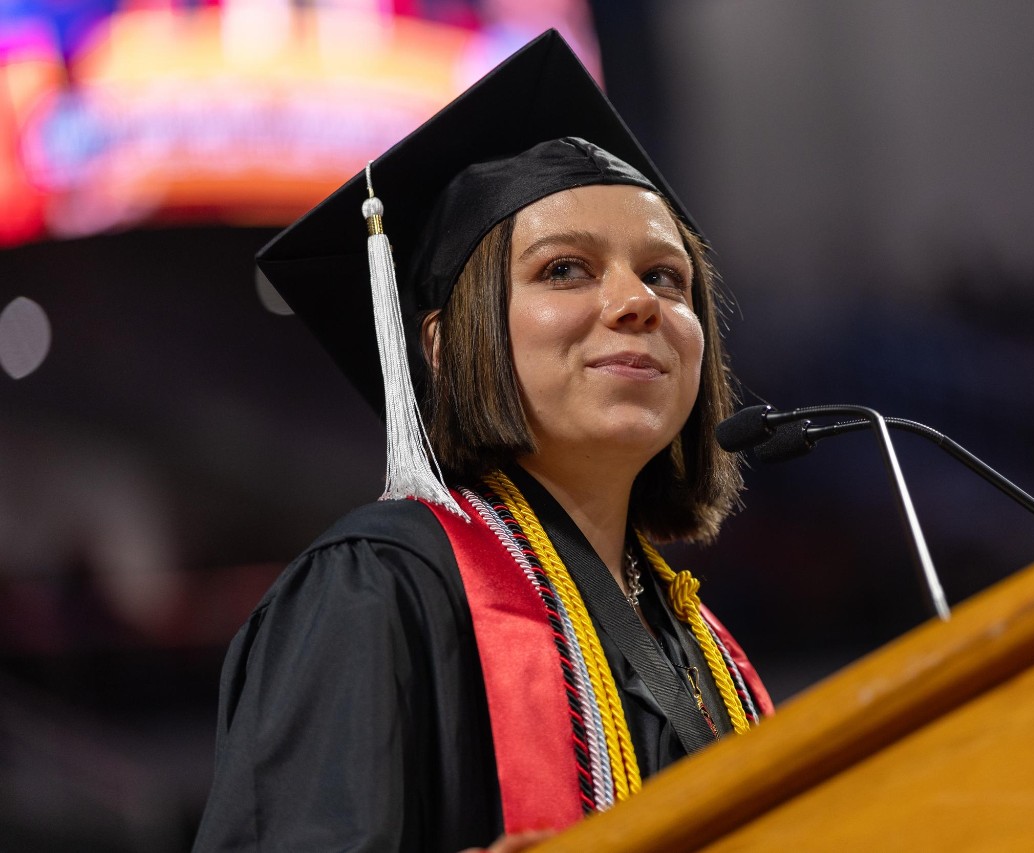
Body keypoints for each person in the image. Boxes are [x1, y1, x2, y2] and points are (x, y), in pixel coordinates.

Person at [192, 30, 771, 853]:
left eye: (665, 276)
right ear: (439, 342)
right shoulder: (377, 589)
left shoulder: (712, 653)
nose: (637, 301)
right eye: (566, 268)